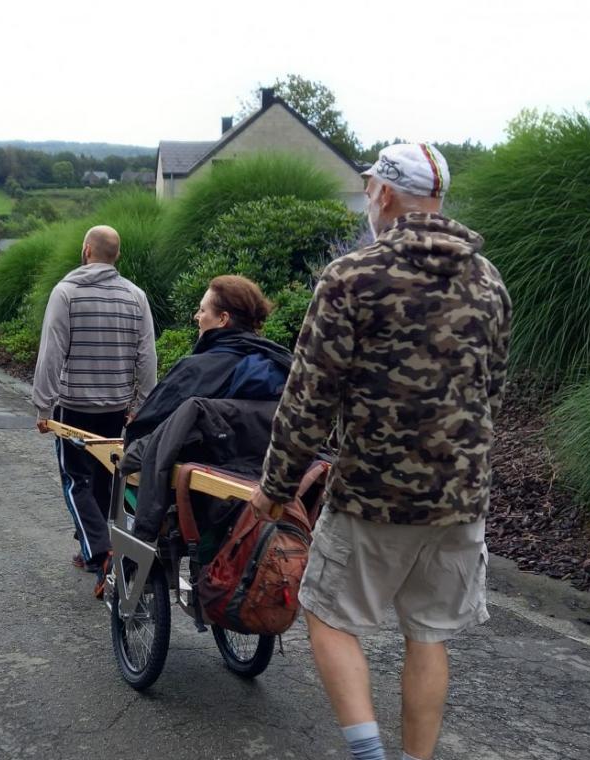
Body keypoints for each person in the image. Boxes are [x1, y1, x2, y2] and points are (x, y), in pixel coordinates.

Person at [249, 143, 512, 760]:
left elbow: (309, 397)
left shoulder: (352, 278)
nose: (368, 198)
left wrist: (276, 487)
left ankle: (368, 756)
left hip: (373, 495)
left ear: (386, 195)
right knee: (428, 635)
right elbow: (490, 392)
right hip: (460, 500)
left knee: (328, 615)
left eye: (369, 188)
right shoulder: (489, 281)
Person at [34, 225, 157, 597]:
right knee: (106, 483)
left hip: (74, 409)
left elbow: (51, 352)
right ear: (115, 256)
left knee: (77, 482)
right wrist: (142, 406)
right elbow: (147, 356)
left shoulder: (66, 292)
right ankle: (97, 545)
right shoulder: (136, 296)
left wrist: (42, 405)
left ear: (86, 250)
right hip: (117, 411)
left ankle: (100, 553)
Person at [124, 275, 292, 444]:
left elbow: (140, 431)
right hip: (264, 465)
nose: (196, 316)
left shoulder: (193, 370)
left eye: (203, 310)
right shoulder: (282, 362)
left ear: (222, 319)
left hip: (202, 465)